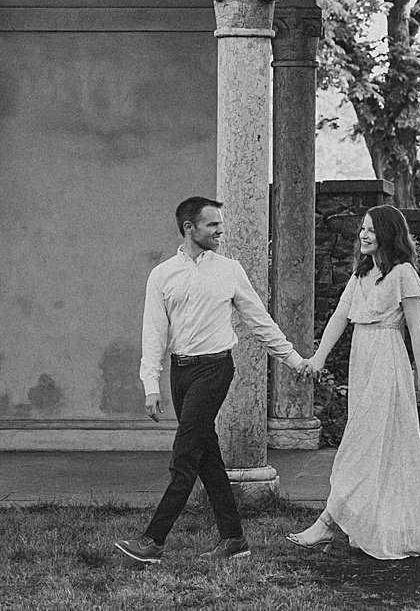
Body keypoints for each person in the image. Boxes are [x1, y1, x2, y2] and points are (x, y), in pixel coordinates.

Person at [115, 195, 310, 566]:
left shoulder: (229, 270)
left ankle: (153, 541)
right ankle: (234, 539)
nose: (220, 231)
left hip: (215, 370)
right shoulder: (162, 275)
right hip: (180, 372)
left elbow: (259, 320)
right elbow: (153, 334)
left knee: (185, 455)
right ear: (190, 228)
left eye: (220, 224)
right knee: (208, 458)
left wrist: (294, 359)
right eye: (212, 225)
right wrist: (150, 385)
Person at [286, 205, 420, 560]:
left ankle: (328, 523)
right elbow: (338, 319)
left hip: (388, 360)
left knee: (363, 445)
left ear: (388, 234)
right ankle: (371, 526)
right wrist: (318, 358)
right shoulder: (360, 276)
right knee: (374, 448)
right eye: (362, 229)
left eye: (372, 230)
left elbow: (416, 329)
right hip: (362, 360)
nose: (364, 235)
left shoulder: (403, 274)